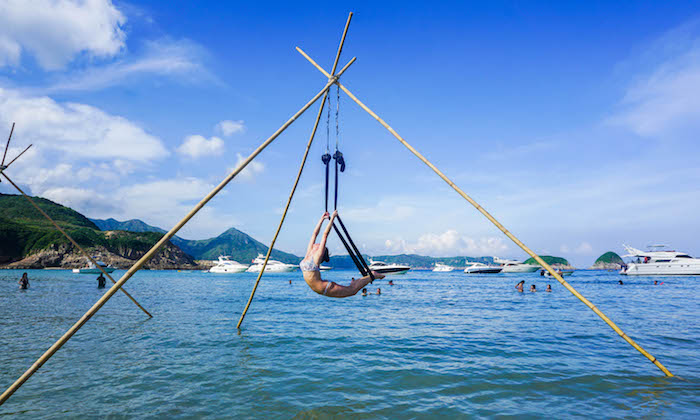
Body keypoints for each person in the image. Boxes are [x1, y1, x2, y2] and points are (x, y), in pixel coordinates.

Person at [301, 211, 384, 297]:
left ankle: (373, 275)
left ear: (320, 250)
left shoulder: (316, 257)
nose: (317, 243)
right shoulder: (309, 253)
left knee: (352, 291)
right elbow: (314, 234)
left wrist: (332, 217)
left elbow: (325, 235)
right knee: (351, 289)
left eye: (319, 245)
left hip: (324, 288)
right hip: (320, 288)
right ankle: (361, 280)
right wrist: (321, 219)